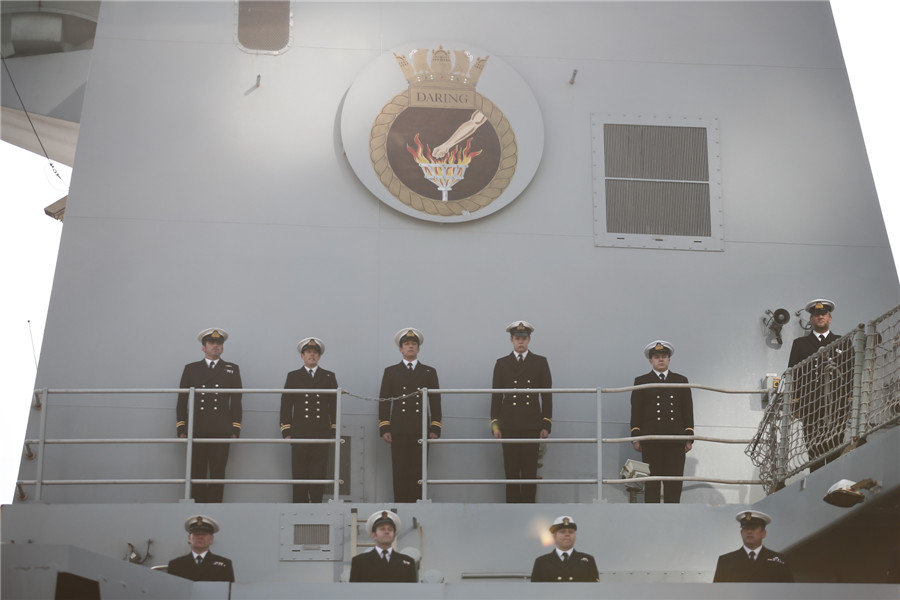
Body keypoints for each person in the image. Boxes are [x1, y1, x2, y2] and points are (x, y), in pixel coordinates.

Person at [176, 328, 242, 503]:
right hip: (197, 427)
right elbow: (182, 399)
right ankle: (198, 508)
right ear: (203, 348)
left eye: (219, 343)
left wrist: (235, 427)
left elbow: (236, 400)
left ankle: (215, 507)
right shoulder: (191, 369)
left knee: (218, 471)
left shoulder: (232, 369)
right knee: (196, 471)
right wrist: (182, 426)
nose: (216, 346)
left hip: (221, 428)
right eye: (211, 343)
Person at [490, 321, 553, 503]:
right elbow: (496, 397)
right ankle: (511, 506)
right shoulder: (502, 364)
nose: (520, 342)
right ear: (511, 340)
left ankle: (528, 506)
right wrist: (495, 425)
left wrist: (546, 423)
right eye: (517, 338)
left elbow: (547, 395)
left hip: (532, 424)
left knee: (529, 470)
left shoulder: (540, 362)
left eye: (524, 338)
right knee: (510, 469)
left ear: (529, 340)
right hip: (508, 424)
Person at [378, 328, 442, 502]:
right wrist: (385, 426)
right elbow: (384, 400)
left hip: (420, 429)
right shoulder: (391, 372)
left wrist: (435, 426)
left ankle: (418, 505)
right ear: (401, 349)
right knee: (399, 471)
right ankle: (400, 505)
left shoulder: (429, 372)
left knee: (418, 472)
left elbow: (435, 401)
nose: (410, 347)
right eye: (407, 344)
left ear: (418, 349)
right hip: (398, 429)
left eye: (414, 344)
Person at [787, 299, 851, 472]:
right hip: (810, 405)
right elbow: (794, 374)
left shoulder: (843, 341)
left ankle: (833, 485)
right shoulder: (800, 344)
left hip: (837, 405)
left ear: (830, 318)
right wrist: (796, 403)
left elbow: (850, 373)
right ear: (811, 319)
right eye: (816, 315)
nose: (820, 317)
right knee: (814, 451)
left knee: (835, 448)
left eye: (824, 314)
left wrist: (849, 402)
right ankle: (816, 488)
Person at [629, 340, 694, 503]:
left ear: (669, 360)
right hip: (651, 439)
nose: (661, 359)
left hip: (675, 439)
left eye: (664, 356)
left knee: (674, 483)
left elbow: (687, 408)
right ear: (650, 360)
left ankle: (673, 517)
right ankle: (652, 517)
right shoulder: (641, 381)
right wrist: (636, 436)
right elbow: (636, 409)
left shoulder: (681, 380)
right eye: (657, 357)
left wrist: (689, 436)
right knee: (652, 483)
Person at [279, 337, 338, 503]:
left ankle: (317, 503)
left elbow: (334, 405)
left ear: (319, 356)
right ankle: (299, 504)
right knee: (299, 471)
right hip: (299, 430)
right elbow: (286, 404)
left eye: (315, 353)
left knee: (319, 471)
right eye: (308, 352)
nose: (312, 355)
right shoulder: (293, 376)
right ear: (302, 356)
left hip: (321, 431)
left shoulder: (328, 376)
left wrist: (334, 429)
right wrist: (286, 430)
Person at [713, 510, 794, 583]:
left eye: (753, 528)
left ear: (764, 533)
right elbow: (717, 594)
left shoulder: (780, 561)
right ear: (741, 533)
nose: (749, 531)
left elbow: (789, 594)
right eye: (745, 528)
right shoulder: (725, 562)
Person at [349, 510, 417, 582]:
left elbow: (412, 591)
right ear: (374, 535)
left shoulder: (408, 562)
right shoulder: (360, 562)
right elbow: (354, 590)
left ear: (394, 536)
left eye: (390, 529)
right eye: (382, 529)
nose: (387, 532)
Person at [530, 516, 599, 582]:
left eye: (571, 532)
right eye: (562, 532)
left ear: (575, 536)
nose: (567, 534)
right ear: (554, 536)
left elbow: (594, 590)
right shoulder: (542, 562)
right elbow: (535, 590)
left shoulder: (588, 560)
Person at [167, 515, 235, 582]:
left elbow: (229, 591)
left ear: (211, 539)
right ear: (189, 538)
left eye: (204, 534)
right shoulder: (175, 564)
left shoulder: (224, 564)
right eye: (196, 534)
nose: (200, 537)